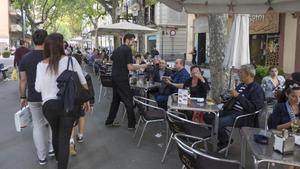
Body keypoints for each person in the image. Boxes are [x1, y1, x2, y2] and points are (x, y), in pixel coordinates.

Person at [35, 33, 91, 169]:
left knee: (55, 132)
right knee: (64, 139)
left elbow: (37, 88)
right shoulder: (71, 61)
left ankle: (59, 160)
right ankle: (62, 165)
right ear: (62, 46)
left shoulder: (41, 65)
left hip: (49, 106)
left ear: (47, 47)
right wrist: (87, 99)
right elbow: (83, 82)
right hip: (67, 104)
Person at [206, 64, 265, 149]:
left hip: (242, 116)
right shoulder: (241, 85)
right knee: (207, 116)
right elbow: (233, 99)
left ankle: (225, 141)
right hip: (230, 110)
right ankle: (221, 135)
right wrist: (225, 99)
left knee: (217, 122)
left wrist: (238, 96)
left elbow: (253, 108)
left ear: (248, 74)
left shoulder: (257, 89)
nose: (238, 74)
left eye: (240, 72)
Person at [19, 29, 54, 165]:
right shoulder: (52, 57)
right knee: (51, 123)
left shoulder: (25, 58)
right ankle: (52, 149)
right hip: (50, 96)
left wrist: (22, 96)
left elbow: (23, 80)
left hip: (33, 97)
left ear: (33, 41)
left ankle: (41, 157)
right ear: (46, 41)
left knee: (38, 126)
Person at [105, 33, 148, 130]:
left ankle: (109, 121)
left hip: (114, 77)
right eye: (133, 41)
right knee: (128, 101)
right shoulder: (127, 50)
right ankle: (131, 125)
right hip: (122, 78)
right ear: (127, 40)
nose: (133, 43)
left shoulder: (117, 49)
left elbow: (111, 59)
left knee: (115, 101)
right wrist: (142, 66)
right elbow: (130, 67)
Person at [69, 54, 95, 156]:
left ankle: (71, 141)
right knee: (81, 116)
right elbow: (90, 90)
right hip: (82, 100)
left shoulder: (68, 74)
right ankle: (80, 136)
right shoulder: (85, 74)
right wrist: (91, 102)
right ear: (81, 62)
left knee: (70, 120)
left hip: (71, 100)